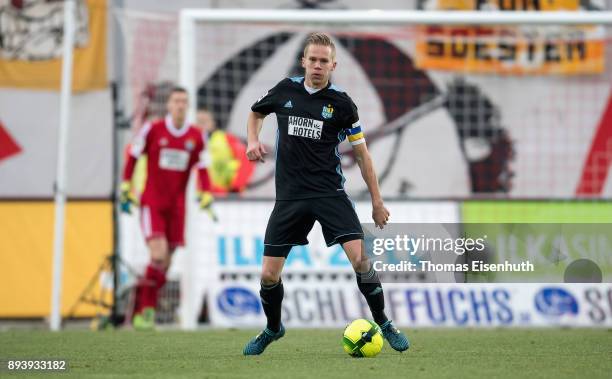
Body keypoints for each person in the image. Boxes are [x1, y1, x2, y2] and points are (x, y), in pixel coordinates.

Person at [243, 33, 410, 355]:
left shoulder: (343, 105)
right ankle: (273, 328)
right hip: (290, 197)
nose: (318, 66)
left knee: (361, 259)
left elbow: (362, 155)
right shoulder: (284, 91)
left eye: (324, 61)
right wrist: (253, 139)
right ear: (304, 61)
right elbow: (256, 113)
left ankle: (384, 323)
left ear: (333, 65)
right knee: (267, 275)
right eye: (313, 59)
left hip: (329, 193)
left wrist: (377, 202)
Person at [120, 86, 214, 330]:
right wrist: (125, 186)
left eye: (184, 101)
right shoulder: (153, 129)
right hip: (152, 203)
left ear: (188, 105)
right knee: (158, 256)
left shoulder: (197, 136)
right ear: (169, 105)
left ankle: (138, 303)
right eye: (176, 101)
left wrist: (206, 193)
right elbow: (133, 155)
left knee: (166, 265)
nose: (180, 105)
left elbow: (203, 168)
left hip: (177, 208)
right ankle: (147, 310)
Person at [196, 108, 255, 194]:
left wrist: (236, 187)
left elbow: (246, 160)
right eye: (198, 121)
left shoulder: (226, 138)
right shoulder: (188, 143)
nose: (201, 125)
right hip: (196, 197)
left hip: (224, 197)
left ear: (213, 123)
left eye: (205, 121)